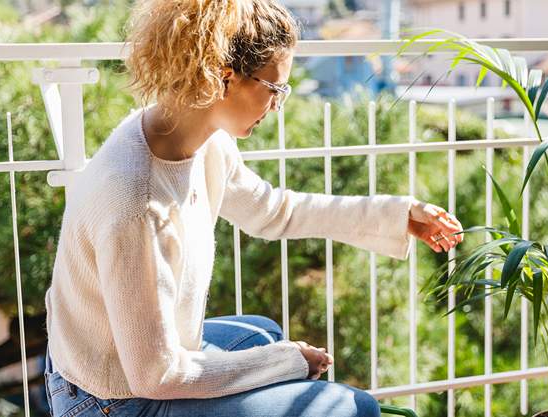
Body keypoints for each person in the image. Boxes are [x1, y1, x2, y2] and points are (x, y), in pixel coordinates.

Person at [42, 0, 464, 416]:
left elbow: (272, 211)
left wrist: (397, 214)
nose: (278, 106)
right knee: (355, 408)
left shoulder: (201, 139)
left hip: (136, 366)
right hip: (108, 399)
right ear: (225, 79)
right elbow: (156, 375)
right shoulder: (136, 202)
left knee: (264, 333)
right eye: (275, 88)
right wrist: (288, 360)